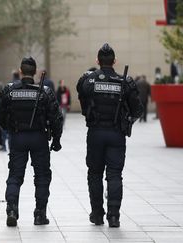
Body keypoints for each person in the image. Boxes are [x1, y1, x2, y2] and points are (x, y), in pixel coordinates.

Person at [77, 43, 143, 228]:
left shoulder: (88, 80)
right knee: (114, 175)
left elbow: (82, 97)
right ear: (115, 61)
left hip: (96, 133)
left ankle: (97, 214)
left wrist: (88, 113)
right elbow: (138, 110)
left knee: (95, 174)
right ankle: (114, 216)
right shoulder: (125, 82)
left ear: (97, 61)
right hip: (116, 134)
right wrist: (127, 121)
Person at [0, 57, 63, 227]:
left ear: (20, 71)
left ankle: (11, 210)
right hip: (39, 138)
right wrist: (57, 139)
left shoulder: (9, 90)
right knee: (42, 177)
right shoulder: (45, 91)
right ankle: (40, 214)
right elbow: (56, 118)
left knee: (15, 176)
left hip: (18, 137)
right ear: (36, 72)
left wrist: (8, 129)